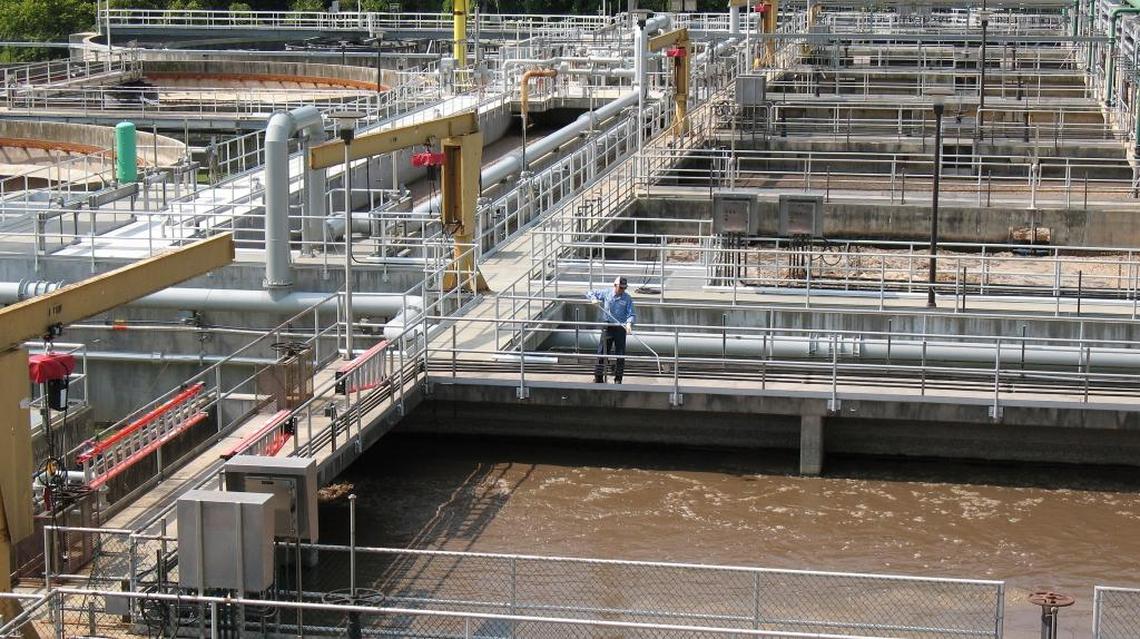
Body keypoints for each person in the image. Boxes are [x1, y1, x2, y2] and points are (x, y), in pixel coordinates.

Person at [586, 276, 636, 384]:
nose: (622, 290)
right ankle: (598, 377)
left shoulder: (627, 298)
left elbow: (631, 313)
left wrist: (629, 324)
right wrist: (593, 299)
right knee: (602, 352)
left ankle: (618, 379)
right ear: (615, 285)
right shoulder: (606, 293)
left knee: (620, 354)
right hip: (607, 326)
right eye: (621, 288)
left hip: (620, 327)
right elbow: (590, 292)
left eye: (624, 288)